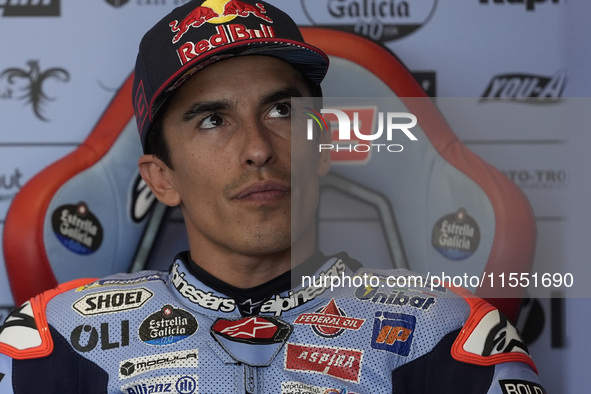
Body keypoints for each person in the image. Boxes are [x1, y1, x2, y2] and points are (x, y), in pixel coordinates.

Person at [0, 1, 546, 393]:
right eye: (213, 120)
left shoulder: (448, 332)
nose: (258, 148)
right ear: (160, 178)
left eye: (282, 111)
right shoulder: (57, 338)